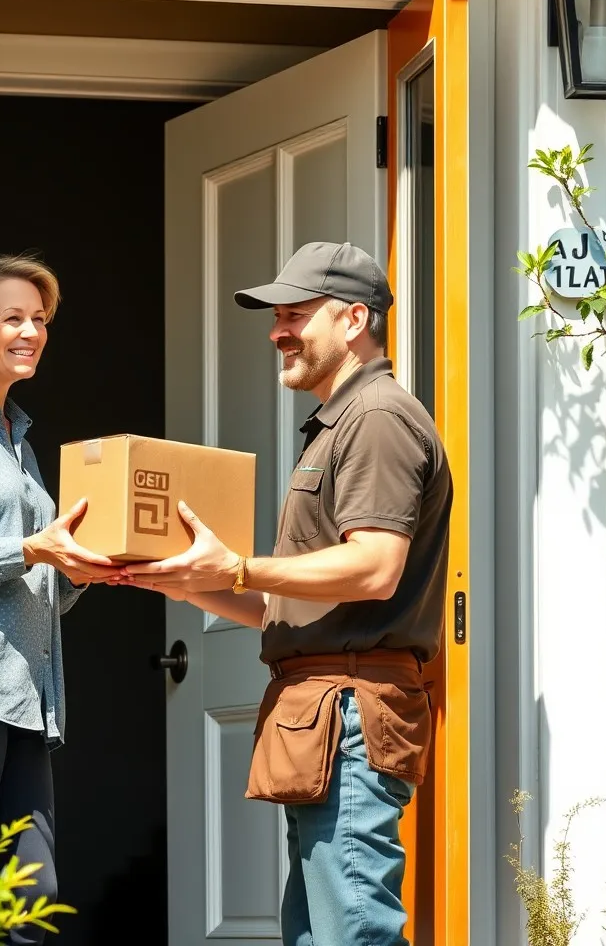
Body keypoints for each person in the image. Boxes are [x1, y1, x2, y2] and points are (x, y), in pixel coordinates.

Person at [120, 242, 453, 946]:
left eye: (296, 313)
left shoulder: (378, 419)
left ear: (354, 318)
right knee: (313, 931)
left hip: (350, 716)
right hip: (320, 715)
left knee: (351, 930)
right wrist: (188, 581)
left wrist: (238, 566)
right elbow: (289, 604)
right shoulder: (338, 424)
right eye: (277, 316)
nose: (278, 330)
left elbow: (373, 568)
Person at [0, 255, 114, 946]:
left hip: (29, 694)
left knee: (32, 896)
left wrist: (83, 573)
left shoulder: (19, 438)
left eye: (39, 319)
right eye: (13, 317)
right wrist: (32, 550)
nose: (31, 330)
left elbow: (41, 580)